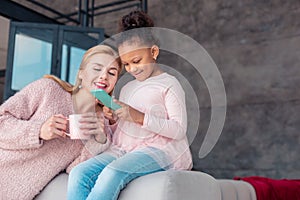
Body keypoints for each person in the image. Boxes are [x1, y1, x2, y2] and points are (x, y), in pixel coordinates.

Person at [67, 10, 193, 200]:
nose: (132, 69)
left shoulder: (169, 84)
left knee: (112, 172)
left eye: (136, 61)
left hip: (160, 150)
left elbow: (179, 130)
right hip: (124, 148)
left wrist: (138, 116)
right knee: (79, 173)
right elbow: (123, 129)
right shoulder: (126, 87)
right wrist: (113, 119)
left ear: (153, 52)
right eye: (126, 64)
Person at [0, 44, 122, 200]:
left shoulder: (100, 124)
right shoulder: (48, 89)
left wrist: (97, 139)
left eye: (112, 73)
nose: (104, 76)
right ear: (81, 73)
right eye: (97, 69)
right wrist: (39, 130)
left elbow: (75, 169)